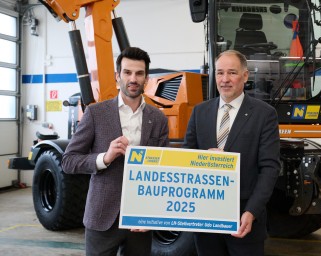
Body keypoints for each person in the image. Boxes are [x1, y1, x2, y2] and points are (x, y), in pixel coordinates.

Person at [62, 47, 169, 256]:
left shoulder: (158, 119)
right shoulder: (95, 113)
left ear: (146, 78)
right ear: (117, 76)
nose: (133, 78)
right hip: (102, 217)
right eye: (127, 72)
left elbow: (164, 171)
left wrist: (152, 215)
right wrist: (105, 158)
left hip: (139, 220)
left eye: (139, 73)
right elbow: (69, 161)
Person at [183, 50, 280, 256]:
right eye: (219, 73)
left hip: (243, 220)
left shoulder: (265, 114)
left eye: (232, 73)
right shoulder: (200, 112)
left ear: (245, 76)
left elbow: (270, 168)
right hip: (206, 219)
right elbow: (186, 159)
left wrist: (251, 211)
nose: (225, 79)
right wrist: (202, 159)